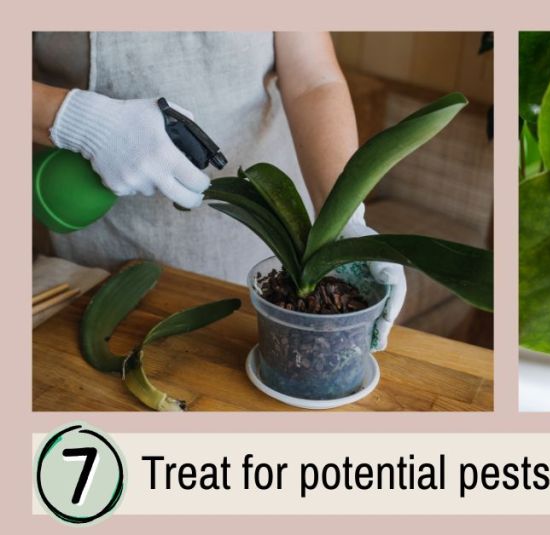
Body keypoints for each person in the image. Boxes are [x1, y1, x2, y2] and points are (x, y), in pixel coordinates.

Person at [32, 31, 406, 349]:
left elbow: (314, 80)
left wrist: (342, 214)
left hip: (260, 237)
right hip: (99, 252)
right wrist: (75, 119)